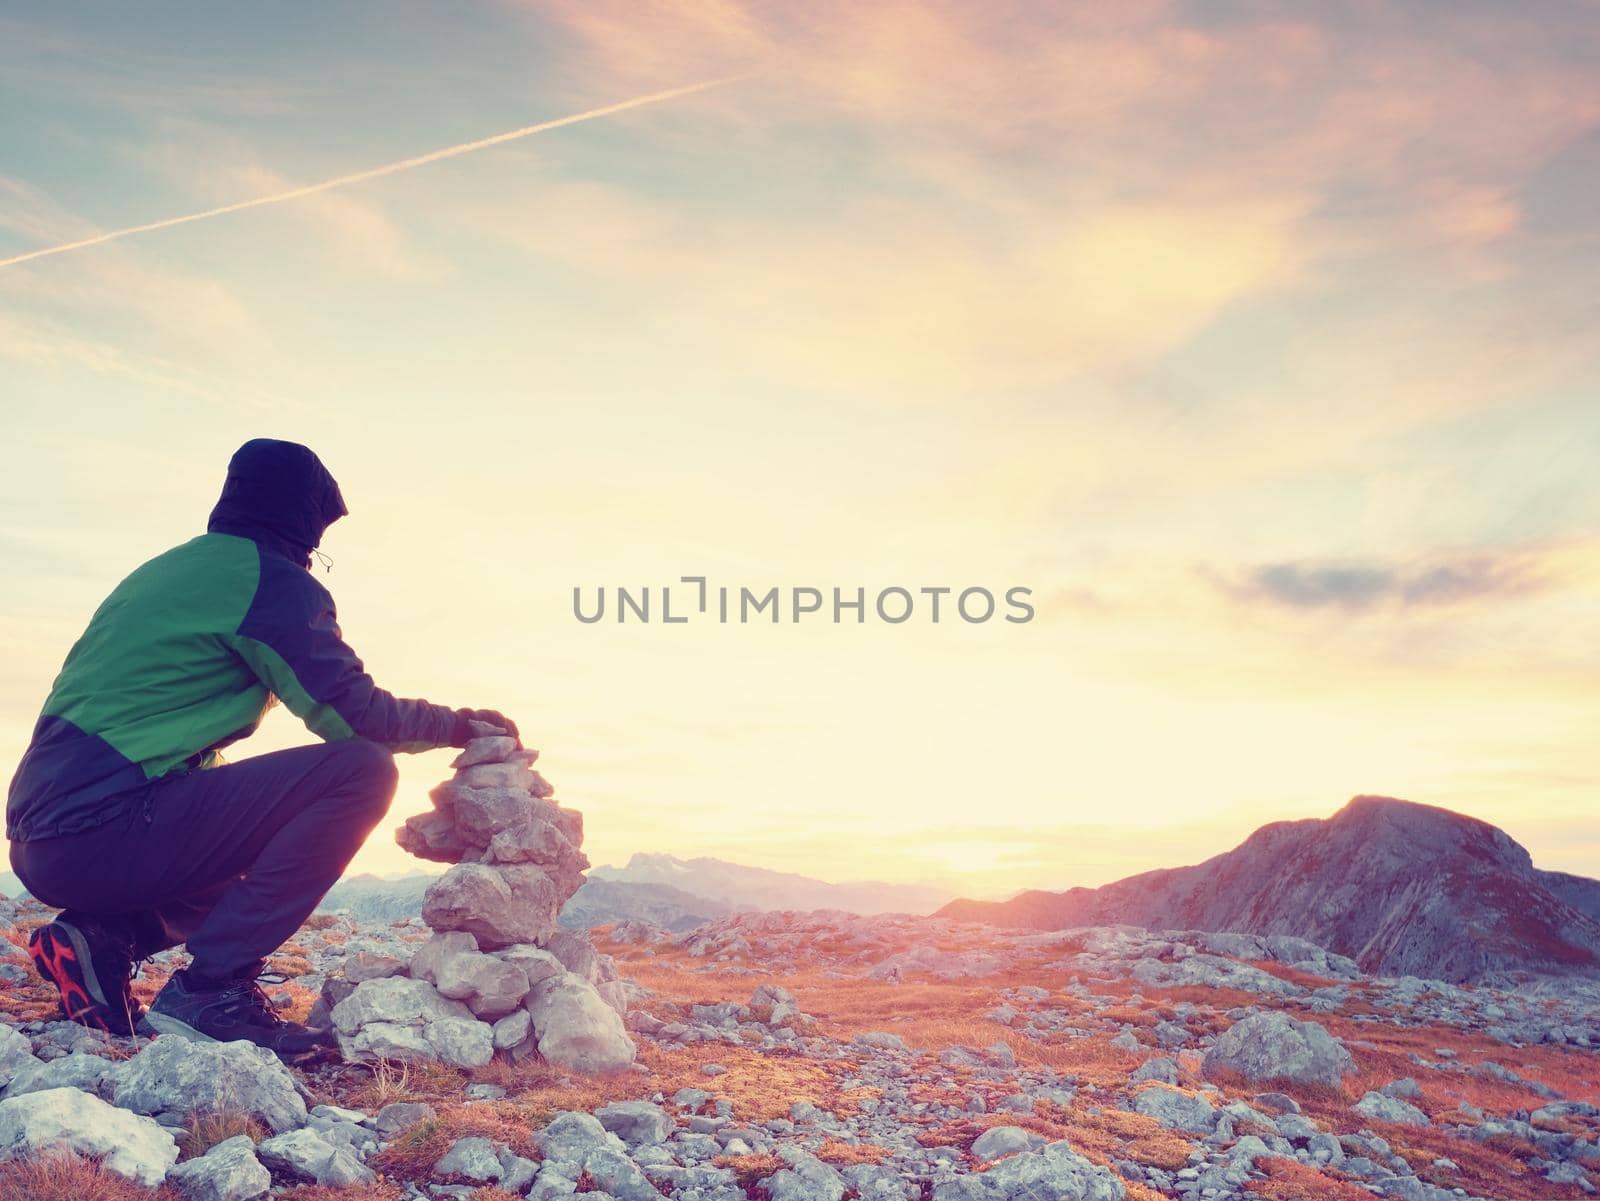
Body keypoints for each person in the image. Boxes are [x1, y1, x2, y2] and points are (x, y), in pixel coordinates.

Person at [5, 438, 517, 1057]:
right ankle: (210, 988)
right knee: (358, 772)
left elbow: (164, 738)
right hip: (105, 829)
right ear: (304, 520)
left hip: (51, 842)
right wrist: (462, 726)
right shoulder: (268, 581)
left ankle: (103, 940)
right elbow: (357, 717)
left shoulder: (173, 570)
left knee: (266, 853)